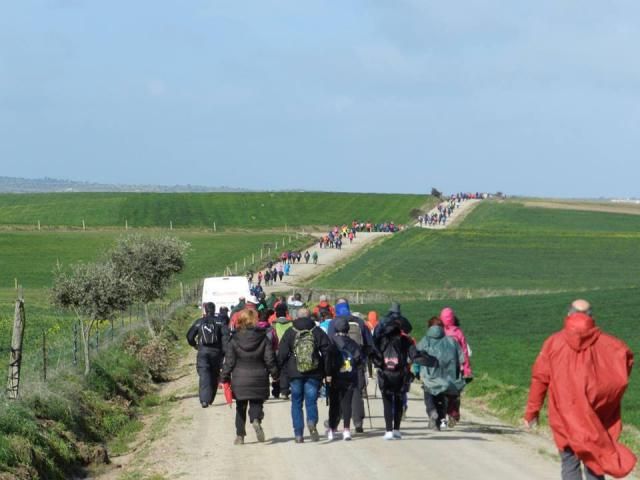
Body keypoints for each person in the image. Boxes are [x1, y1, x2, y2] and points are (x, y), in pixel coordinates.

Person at [524, 300, 636, 480]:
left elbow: (539, 379)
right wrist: (608, 398)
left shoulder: (553, 343)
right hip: (597, 418)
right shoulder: (611, 345)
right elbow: (625, 365)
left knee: (569, 463)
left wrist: (532, 412)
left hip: (564, 418)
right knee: (595, 463)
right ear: (592, 317)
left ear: (569, 315)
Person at [221, 309, 279, 445]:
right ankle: (255, 419)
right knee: (256, 403)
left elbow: (229, 361)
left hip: (240, 377)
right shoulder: (263, 337)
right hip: (259, 376)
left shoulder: (234, 339)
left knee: (240, 407)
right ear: (255, 321)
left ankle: (240, 436)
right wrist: (275, 374)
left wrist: (224, 377)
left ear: (240, 321)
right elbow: (269, 359)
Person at [278, 307, 332, 443]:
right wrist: (327, 372)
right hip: (314, 372)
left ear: (297, 317)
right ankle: (312, 422)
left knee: (296, 402)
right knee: (311, 401)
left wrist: (279, 372)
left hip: (294, 371)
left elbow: (282, 354)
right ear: (309, 317)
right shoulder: (317, 331)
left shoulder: (290, 331)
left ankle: (298, 434)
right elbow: (327, 353)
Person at [327, 299, 374, 434]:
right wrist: (362, 356)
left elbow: (330, 342)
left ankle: (335, 423)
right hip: (356, 361)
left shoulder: (333, 322)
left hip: (338, 362)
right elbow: (369, 343)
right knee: (356, 391)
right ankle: (358, 422)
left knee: (338, 393)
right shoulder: (359, 322)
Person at [416, 317, 465, 430]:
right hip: (447, 377)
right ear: (442, 327)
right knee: (443, 399)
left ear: (429, 327)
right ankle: (440, 421)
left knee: (429, 396)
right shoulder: (451, 341)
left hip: (430, 377)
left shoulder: (425, 340)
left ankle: (432, 412)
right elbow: (461, 359)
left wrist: (417, 371)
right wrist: (459, 373)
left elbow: (416, 356)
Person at [372, 316, 415, 440]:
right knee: (399, 401)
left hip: (385, 374)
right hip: (401, 375)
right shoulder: (406, 340)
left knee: (387, 403)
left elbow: (375, 355)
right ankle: (396, 429)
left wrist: (378, 364)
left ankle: (388, 430)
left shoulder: (381, 340)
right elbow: (413, 355)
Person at [186, 302, 230, 408]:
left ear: (205, 310)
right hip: (216, 353)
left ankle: (204, 400)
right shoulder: (220, 322)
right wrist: (225, 352)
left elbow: (189, 336)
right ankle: (209, 399)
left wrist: (194, 345)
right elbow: (225, 337)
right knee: (214, 375)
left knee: (204, 374)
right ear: (214, 310)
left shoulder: (199, 322)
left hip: (203, 352)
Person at [327, 316, 363, 441]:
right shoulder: (353, 343)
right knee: (347, 404)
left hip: (335, 377)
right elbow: (359, 360)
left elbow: (327, 360)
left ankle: (332, 430)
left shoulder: (331, 342)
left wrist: (327, 375)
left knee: (334, 404)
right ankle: (346, 430)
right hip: (349, 377)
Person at [439, 307, 472, 426]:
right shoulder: (458, 332)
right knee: (455, 391)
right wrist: (467, 369)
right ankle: (453, 413)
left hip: (442, 367)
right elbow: (464, 352)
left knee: (442, 391)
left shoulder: (439, 331)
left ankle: (442, 415)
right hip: (457, 367)